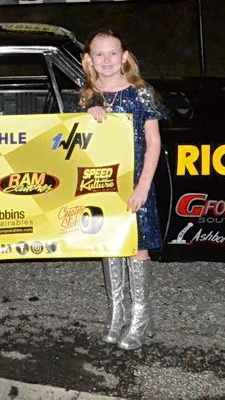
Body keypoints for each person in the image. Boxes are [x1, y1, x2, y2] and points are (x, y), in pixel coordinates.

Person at [76, 29, 168, 350]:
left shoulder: (141, 93)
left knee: (137, 246)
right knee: (111, 244)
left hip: (137, 183)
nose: (107, 60)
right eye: (99, 54)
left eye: (113, 53)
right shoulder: (87, 96)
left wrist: (143, 186)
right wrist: (88, 116)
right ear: (89, 60)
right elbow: (74, 141)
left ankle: (140, 316)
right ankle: (117, 312)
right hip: (102, 185)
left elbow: (154, 143)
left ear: (125, 57)